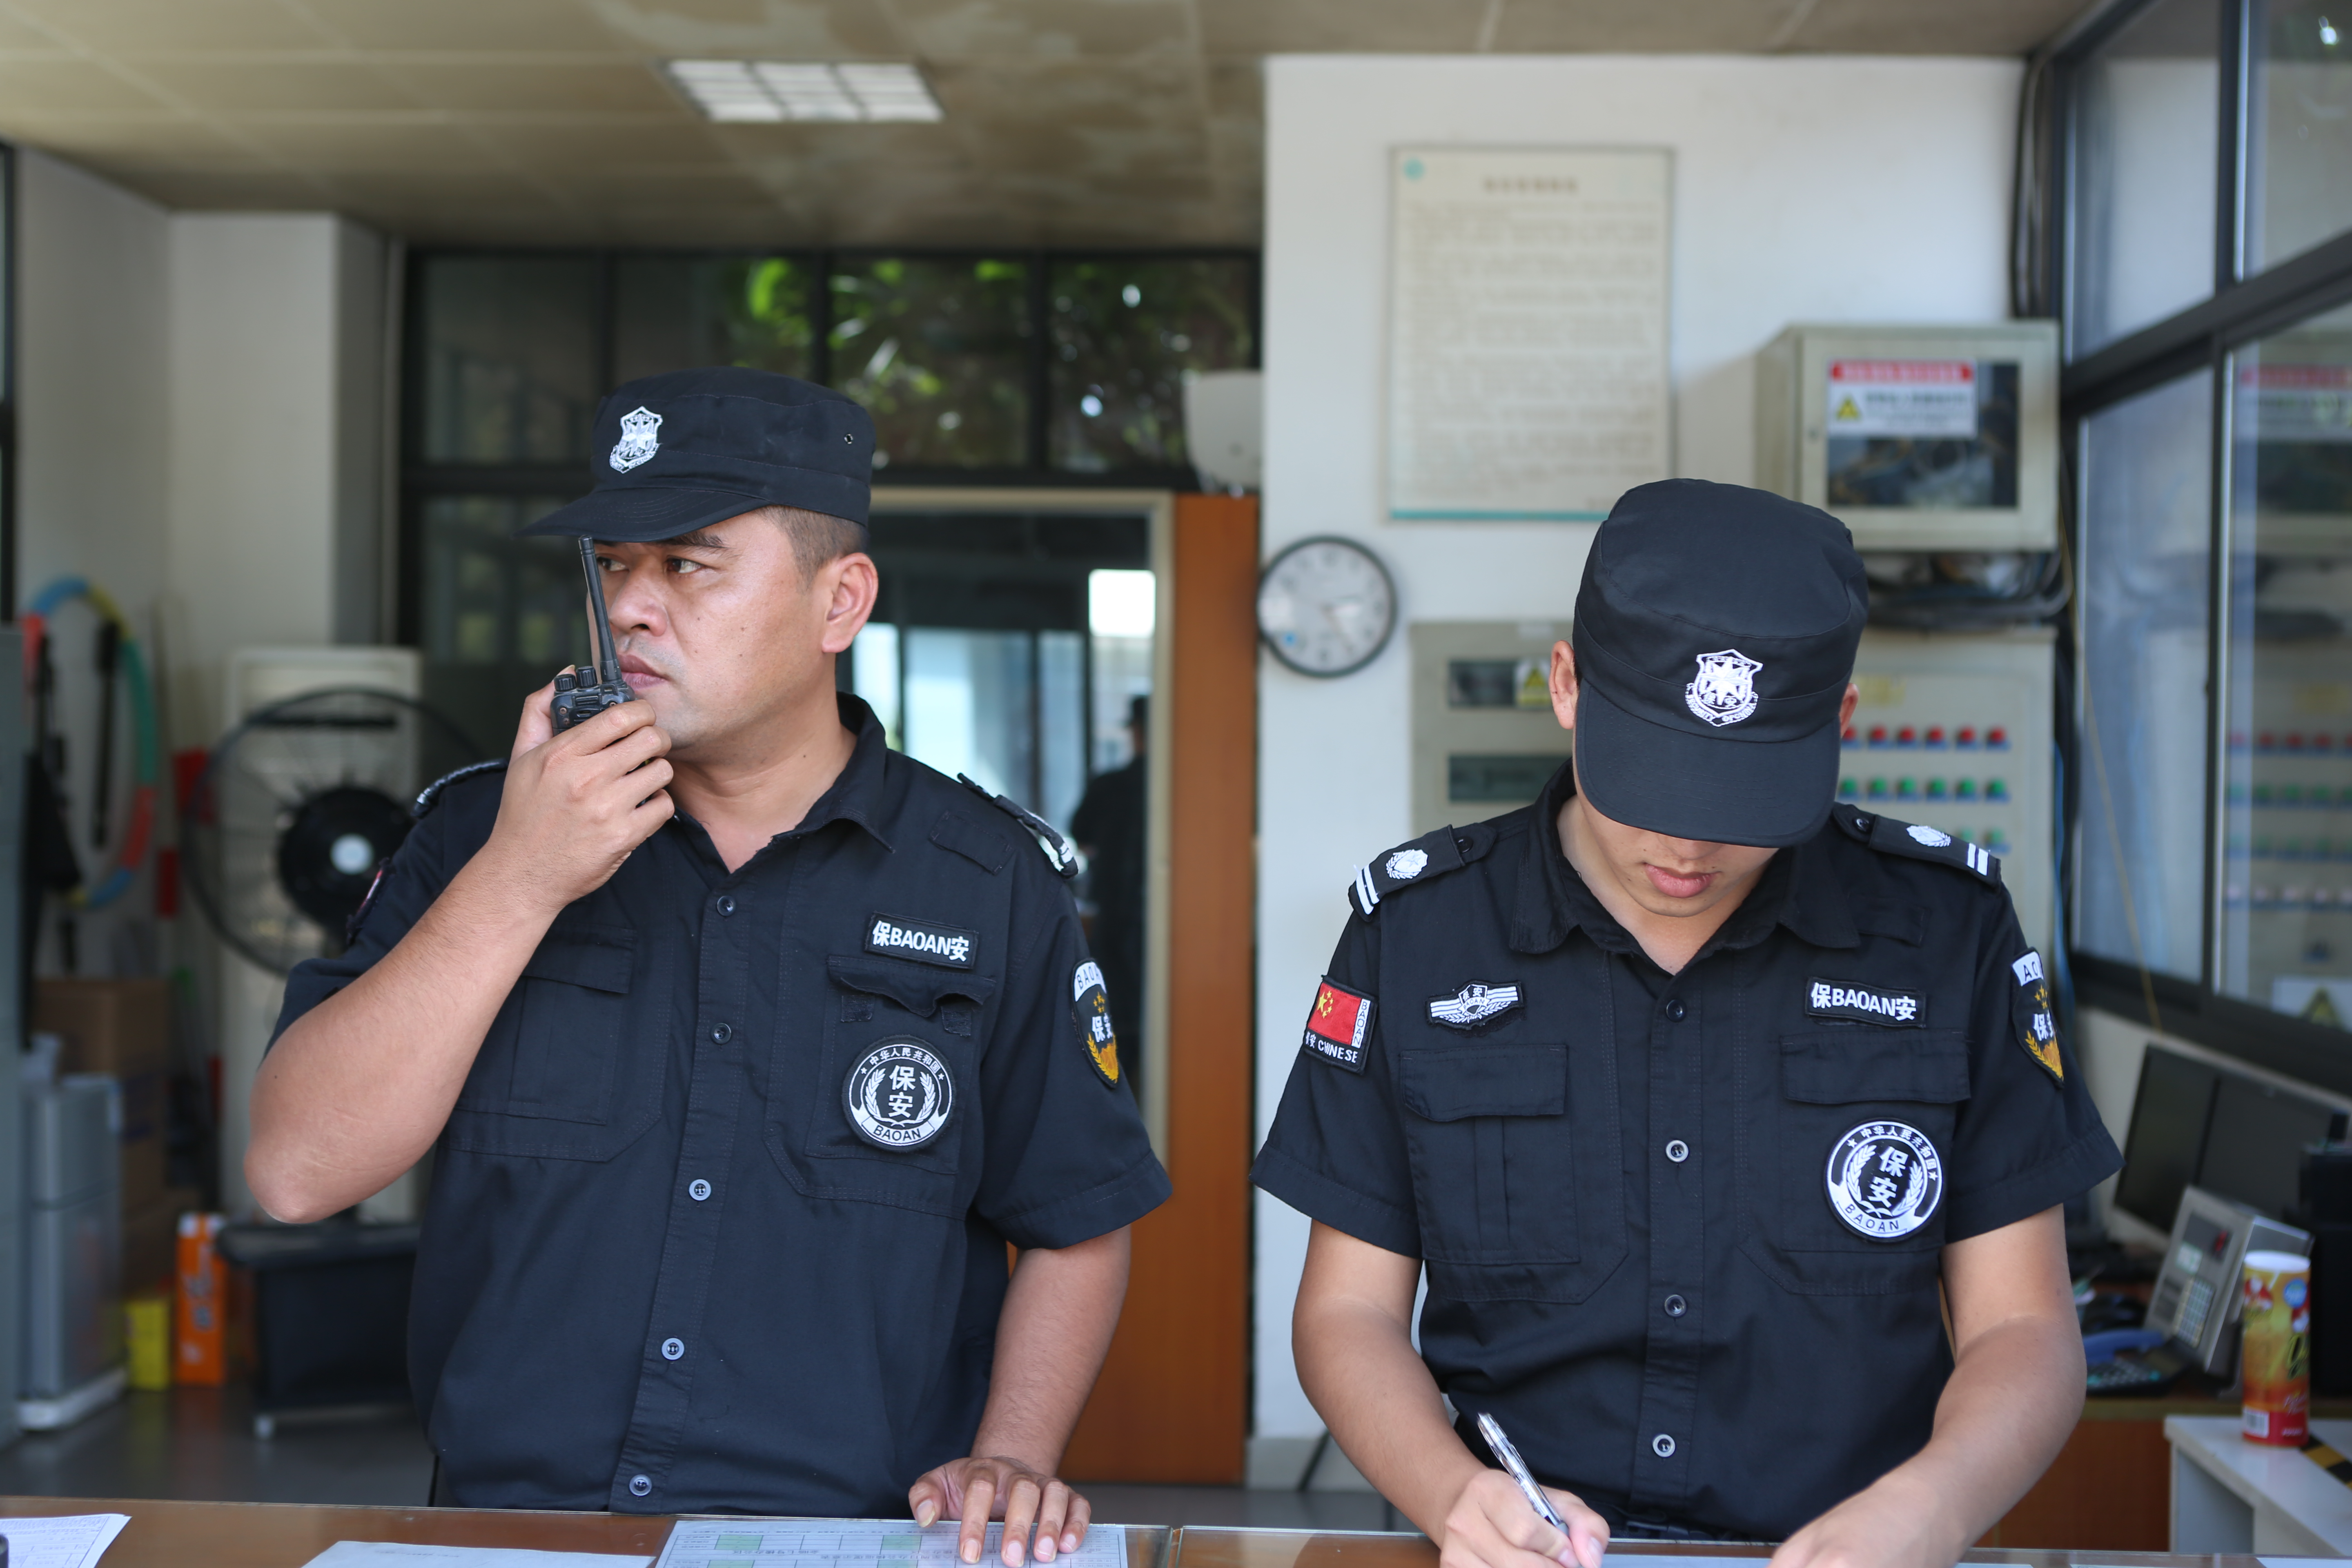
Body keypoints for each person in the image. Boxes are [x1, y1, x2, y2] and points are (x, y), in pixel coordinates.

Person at [248, 368, 1169, 1562]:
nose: (630, 607)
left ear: (840, 601)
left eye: (686, 565)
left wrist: (1015, 1451)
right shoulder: (476, 838)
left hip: (856, 1540)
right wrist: (520, 879)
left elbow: (1075, 1215)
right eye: (612, 564)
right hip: (511, 1533)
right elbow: (297, 1172)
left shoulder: (985, 879)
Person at [1252, 479, 2118, 1568]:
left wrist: (1932, 1508)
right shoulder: (1420, 937)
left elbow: (2023, 1326)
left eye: (1742, 803)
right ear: (1566, 685)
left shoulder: (1948, 934)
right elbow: (1348, 1314)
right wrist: (1454, 1495)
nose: (1688, 848)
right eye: (1652, 785)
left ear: (1837, 724)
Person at [1070, 695, 1147, 1097]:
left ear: (1136, 732)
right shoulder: (1188, 789)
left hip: (1114, 916)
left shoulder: (1110, 786)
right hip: (1155, 921)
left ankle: (1116, 1099)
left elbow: (1082, 838)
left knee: (1110, 1019)